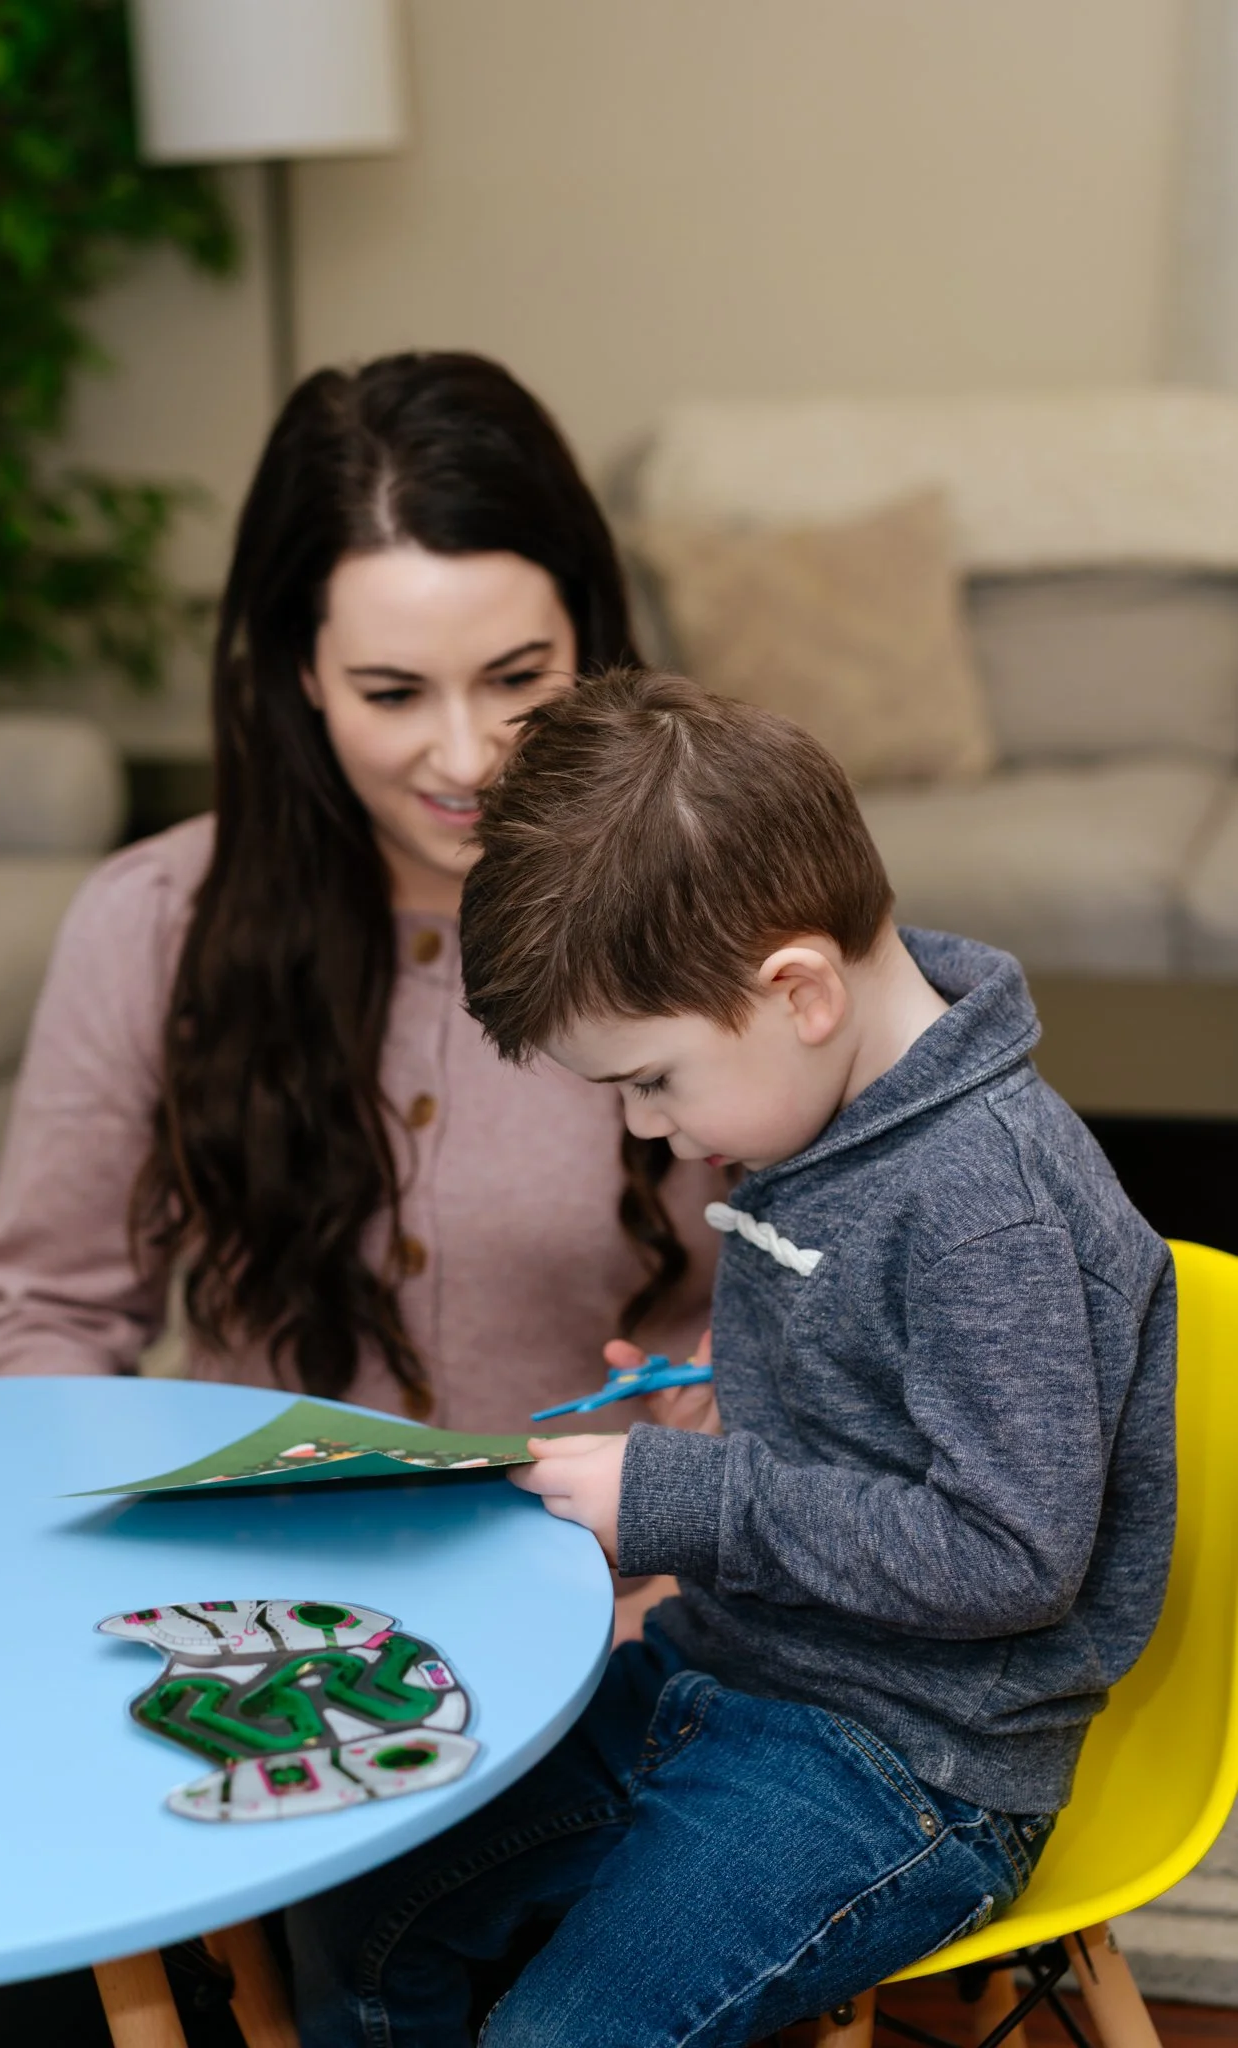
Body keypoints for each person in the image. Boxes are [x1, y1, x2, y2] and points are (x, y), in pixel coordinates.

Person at [288, 669, 1177, 2048]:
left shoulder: (980, 1204)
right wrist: (715, 1401)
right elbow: (874, 1407)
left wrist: (676, 1499)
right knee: (360, 1911)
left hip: (906, 1761)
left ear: (800, 989)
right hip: (726, 1671)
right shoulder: (824, 1107)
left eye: (650, 1079)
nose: (647, 1130)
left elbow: (1012, 1552)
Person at [0, 356, 718, 1468]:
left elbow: (846, 1312)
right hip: (263, 1601)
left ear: (591, 640)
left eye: (518, 676)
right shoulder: (156, 918)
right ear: (302, 673)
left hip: (636, 1598)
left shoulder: (716, 905)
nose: (467, 756)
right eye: (392, 692)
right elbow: (42, 1317)